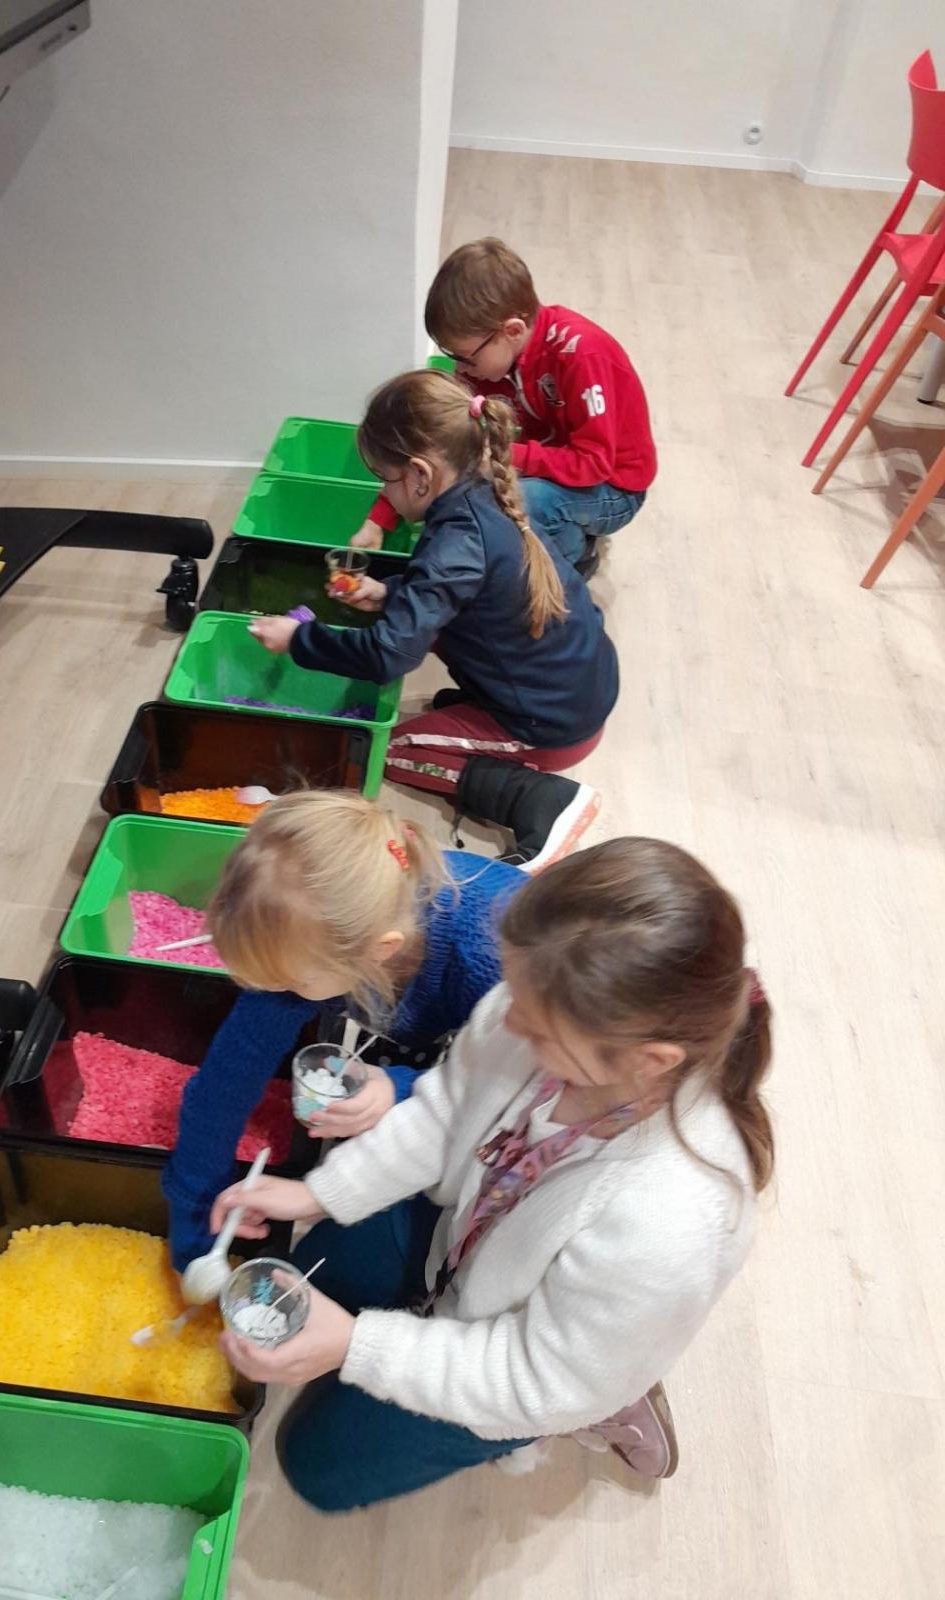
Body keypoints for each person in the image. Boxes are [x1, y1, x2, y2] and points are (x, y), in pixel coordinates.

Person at [213, 837, 774, 1511]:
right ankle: (589, 1338)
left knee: (315, 1468)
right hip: (474, 1230)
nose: (505, 1021)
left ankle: (610, 1389)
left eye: (537, 1029)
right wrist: (318, 1194)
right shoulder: (527, 1009)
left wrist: (360, 1347)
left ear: (647, 1061)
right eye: (514, 993)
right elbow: (446, 1111)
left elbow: (537, 1379)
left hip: (538, 1362)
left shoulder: (670, 1221)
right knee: (309, 1277)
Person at [163, 790, 552, 1271]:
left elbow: (511, 1089)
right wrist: (195, 1222)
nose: (273, 993)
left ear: (379, 951)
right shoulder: (304, 939)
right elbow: (224, 1082)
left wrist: (403, 1089)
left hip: (530, 1053)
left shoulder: (493, 960)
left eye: (290, 983)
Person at [248, 370, 614, 867]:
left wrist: (300, 639)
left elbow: (387, 656)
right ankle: (487, 720)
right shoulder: (487, 495)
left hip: (552, 727)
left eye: (386, 479)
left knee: (391, 750)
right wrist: (389, 593)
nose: (385, 491)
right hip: (577, 689)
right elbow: (463, 593)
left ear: (420, 474)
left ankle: (542, 800)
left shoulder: (455, 542)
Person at [353, 237, 656, 576]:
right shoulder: (489, 361)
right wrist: (378, 519)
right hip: (551, 462)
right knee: (481, 484)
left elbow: (594, 463)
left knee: (525, 500)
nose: (460, 369)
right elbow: (435, 441)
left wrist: (509, 457)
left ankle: (569, 561)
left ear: (511, 330)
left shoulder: (582, 355)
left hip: (614, 486)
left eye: (465, 357)